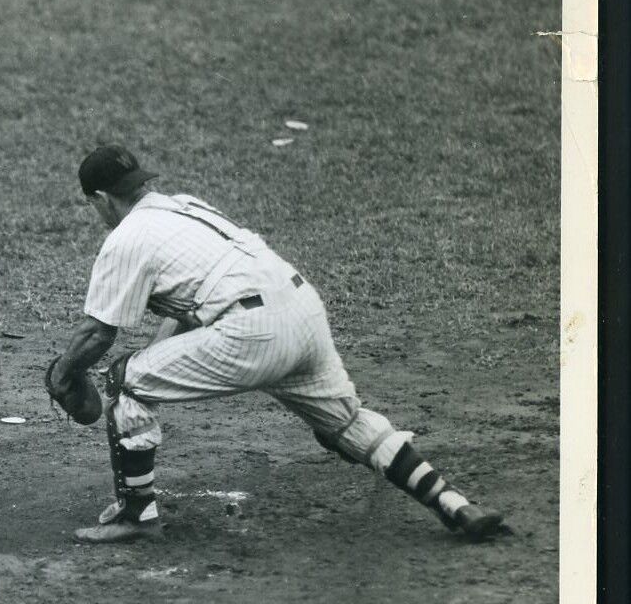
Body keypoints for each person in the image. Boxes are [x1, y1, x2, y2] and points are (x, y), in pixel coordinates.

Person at [49, 143, 505, 544]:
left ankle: (135, 516)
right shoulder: (186, 207)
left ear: (100, 199)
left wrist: (65, 373)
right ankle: (453, 503)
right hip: (302, 310)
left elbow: (96, 333)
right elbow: (187, 310)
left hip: (253, 331)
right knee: (346, 424)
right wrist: (151, 356)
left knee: (125, 383)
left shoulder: (126, 237)